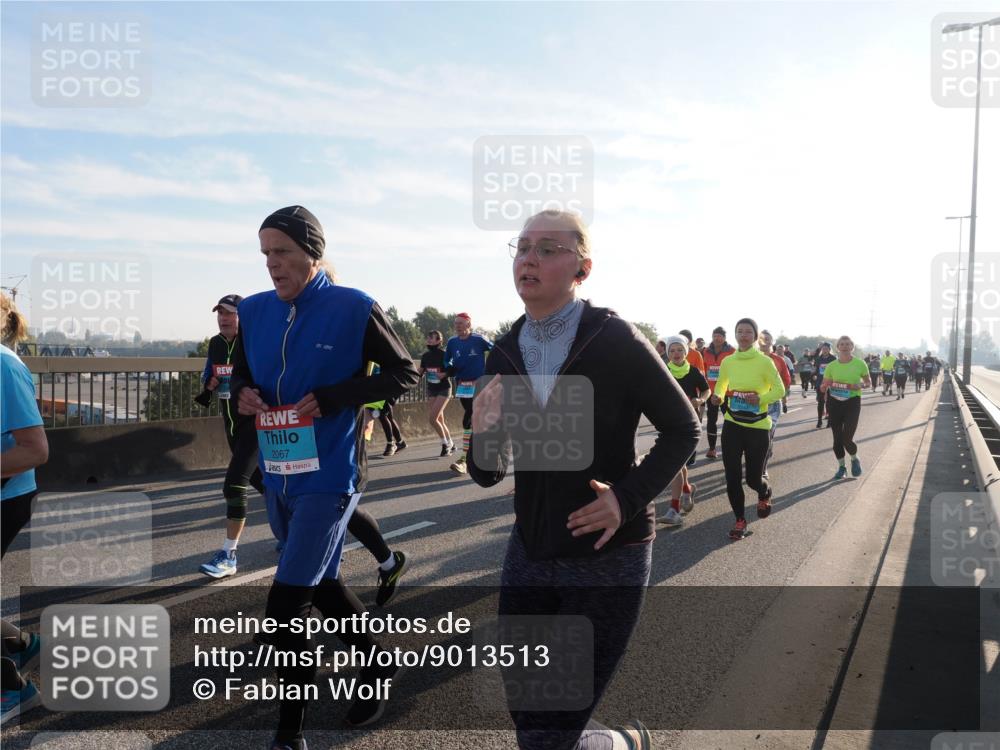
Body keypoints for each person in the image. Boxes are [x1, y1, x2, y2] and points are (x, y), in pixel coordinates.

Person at [469, 209, 699, 750]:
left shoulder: (613, 338)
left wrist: (626, 497)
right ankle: (619, 744)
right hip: (529, 551)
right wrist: (481, 434)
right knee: (530, 716)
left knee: (548, 733)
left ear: (582, 268)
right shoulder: (502, 350)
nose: (529, 258)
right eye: (522, 247)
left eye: (548, 248)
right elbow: (486, 473)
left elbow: (683, 428)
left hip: (606, 554)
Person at [231, 205, 420, 748]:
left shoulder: (353, 307)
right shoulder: (255, 311)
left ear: (311, 253)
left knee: (287, 604)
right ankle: (379, 662)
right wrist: (242, 392)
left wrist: (336, 398)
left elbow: (403, 372)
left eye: (283, 252)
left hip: (331, 474)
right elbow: (242, 371)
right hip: (279, 472)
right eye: (265, 253)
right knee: (324, 581)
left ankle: (289, 735)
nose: (272, 264)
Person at [194, 294, 268, 578]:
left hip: (255, 422)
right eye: (220, 313)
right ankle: (297, 534)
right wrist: (209, 384)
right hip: (231, 424)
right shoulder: (215, 343)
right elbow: (208, 375)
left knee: (234, 485)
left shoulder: (253, 342)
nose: (224, 318)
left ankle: (229, 554)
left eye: (230, 314)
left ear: (243, 317)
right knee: (265, 484)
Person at [1, 292, 48, 725]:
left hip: (7, 497)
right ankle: (21, 643)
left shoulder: (4, 365)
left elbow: (35, 450)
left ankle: (13, 690)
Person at [710, 318, 785, 540]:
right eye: (740, 331)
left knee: (753, 479)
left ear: (755, 336)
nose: (743, 335)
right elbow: (722, 384)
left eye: (748, 332)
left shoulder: (764, 362)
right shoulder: (728, 362)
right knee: (732, 477)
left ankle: (764, 492)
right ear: (735, 335)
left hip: (758, 427)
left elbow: (780, 390)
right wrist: (718, 396)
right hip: (733, 424)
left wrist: (761, 398)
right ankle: (740, 520)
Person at [659, 336, 709, 525]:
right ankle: (686, 491)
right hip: (668, 421)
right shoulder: (663, 371)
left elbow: (706, 390)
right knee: (679, 463)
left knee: (676, 463)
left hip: (689, 424)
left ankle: (674, 510)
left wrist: (700, 400)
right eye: (672, 351)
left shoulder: (694, 371)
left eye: (679, 350)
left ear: (686, 352)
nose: (676, 354)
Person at [444, 312, 493, 475]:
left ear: (468, 325)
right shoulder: (452, 342)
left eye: (460, 323)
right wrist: (449, 367)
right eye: (455, 323)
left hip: (479, 383)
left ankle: (464, 459)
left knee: (470, 417)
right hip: (462, 384)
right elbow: (447, 359)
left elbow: (495, 349)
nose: (457, 326)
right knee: (471, 418)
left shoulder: (479, 339)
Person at [819, 336, 871, 479]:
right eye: (842, 344)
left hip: (852, 402)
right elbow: (824, 385)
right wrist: (823, 387)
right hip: (834, 402)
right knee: (837, 438)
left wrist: (859, 385)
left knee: (847, 438)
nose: (845, 346)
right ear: (838, 347)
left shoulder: (860, 363)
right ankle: (842, 467)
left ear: (852, 347)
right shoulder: (831, 366)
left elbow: (868, 383)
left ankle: (854, 459)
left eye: (848, 344)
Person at [758, 330, 791, 479]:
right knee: (755, 437)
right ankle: (761, 455)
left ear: (772, 342)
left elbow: (786, 380)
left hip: (772, 403)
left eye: (768, 339)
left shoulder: (779, 360)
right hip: (754, 403)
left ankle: (763, 468)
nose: (764, 342)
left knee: (766, 436)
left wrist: (776, 393)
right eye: (762, 339)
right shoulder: (751, 359)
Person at [419, 330, 455, 457]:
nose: (428, 340)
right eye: (427, 337)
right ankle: (451, 443)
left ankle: (445, 445)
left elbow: (453, 369)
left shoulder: (444, 355)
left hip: (444, 388)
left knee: (432, 419)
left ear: (439, 341)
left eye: (431, 338)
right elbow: (420, 372)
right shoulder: (425, 356)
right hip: (432, 389)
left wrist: (444, 374)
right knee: (440, 419)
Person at [702, 326, 735, 459]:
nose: (717, 338)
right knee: (711, 420)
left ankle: (732, 447)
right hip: (712, 392)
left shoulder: (732, 351)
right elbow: (704, 370)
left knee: (730, 420)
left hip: (727, 392)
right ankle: (711, 449)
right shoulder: (706, 352)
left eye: (719, 336)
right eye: (715, 335)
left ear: (724, 338)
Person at [812, 342, 836, 429]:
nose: (824, 350)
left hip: (830, 382)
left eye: (826, 349)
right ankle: (819, 420)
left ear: (830, 349)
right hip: (820, 382)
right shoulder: (818, 359)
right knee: (820, 402)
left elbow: (836, 370)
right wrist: (814, 375)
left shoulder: (833, 359)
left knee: (829, 402)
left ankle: (829, 420)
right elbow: (816, 369)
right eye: (823, 349)